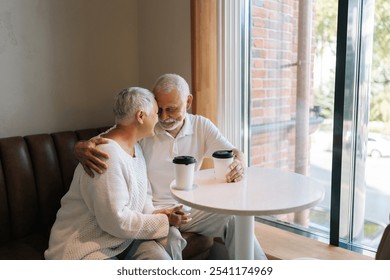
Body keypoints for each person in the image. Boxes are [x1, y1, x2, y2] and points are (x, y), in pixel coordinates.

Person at [74, 74, 267, 260]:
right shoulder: (146, 129)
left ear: (188, 102)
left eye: (172, 109)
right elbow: (115, 139)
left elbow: (234, 152)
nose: (164, 117)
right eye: (160, 109)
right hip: (151, 210)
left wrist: (240, 163)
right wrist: (81, 147)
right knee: (171, 240)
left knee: (233, 218)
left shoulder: (201, 126)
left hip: (188, 208)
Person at [45, 87, 190, 260]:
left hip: (124, 240)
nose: (158, 118)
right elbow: (115, 221)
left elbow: (144, 198)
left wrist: (160, 214)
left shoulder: (136, 146)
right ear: (141, 116)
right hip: (88, 245)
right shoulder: (105, 155)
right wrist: (165, 221)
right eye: (156, 113)